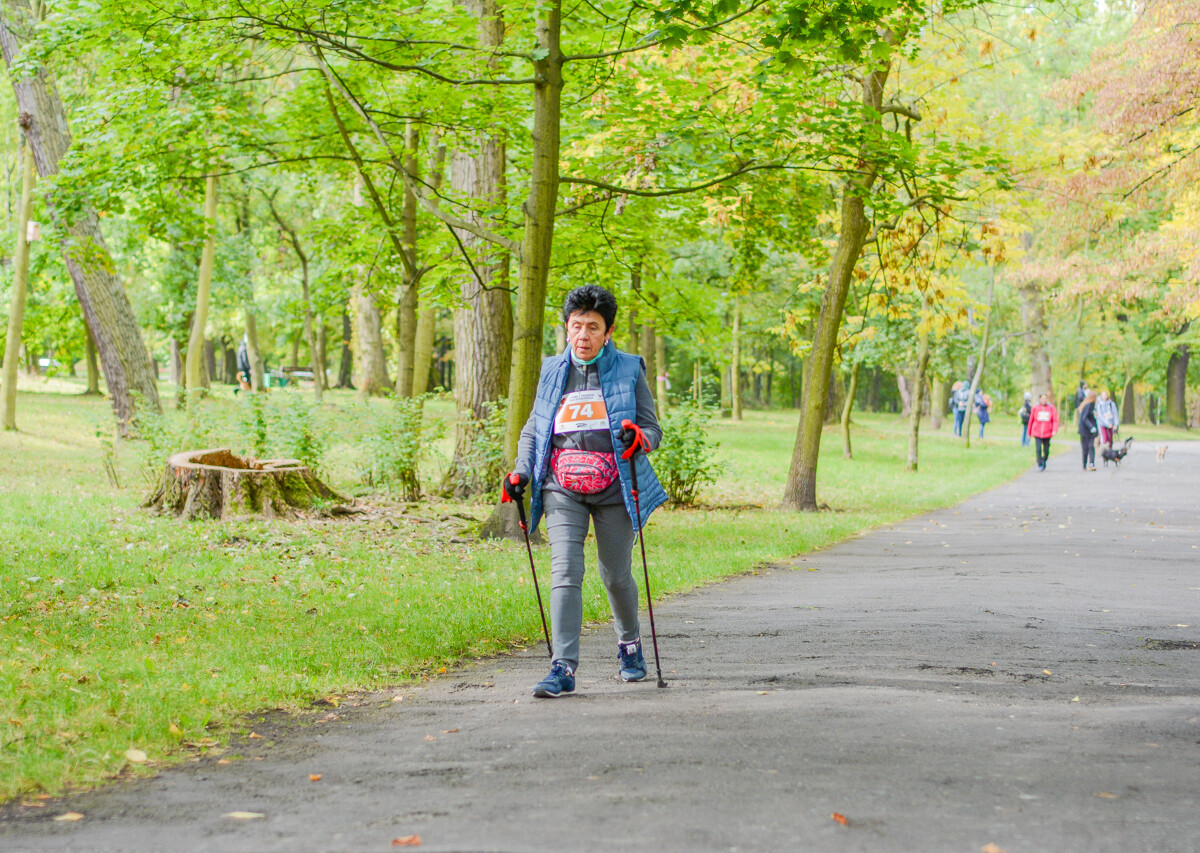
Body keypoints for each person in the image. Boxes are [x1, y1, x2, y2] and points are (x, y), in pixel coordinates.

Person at [503, 285, 666, 699]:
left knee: (614, 575)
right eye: (576, 326)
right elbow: (533, 429)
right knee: (565, 570)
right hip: (562, 486)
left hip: (613, 486)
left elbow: (652, 429)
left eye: (593, 327)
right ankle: (563, 667)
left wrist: (638, 439)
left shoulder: (629, 368)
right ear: (566, 327)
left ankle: (629, 645)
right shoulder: (551, 369)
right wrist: (522, 471)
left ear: (608, 331)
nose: (583, 335)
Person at [1027, 393, 1059, 471]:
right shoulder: (1035, 408)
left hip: (1047, 432)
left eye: (1045, 398)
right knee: (1038, 449)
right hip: (1037, 432)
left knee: (1046, 450)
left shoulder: (1051, 408)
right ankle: (1040, 463)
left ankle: (1044, 460)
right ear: (1039, 399)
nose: (1044, 400)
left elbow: (1055, 420)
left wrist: (1054, 430)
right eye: (1042, 398)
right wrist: (1029, 432)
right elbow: (1031, 420)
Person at [1077, 389, 1099, 471]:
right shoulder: (1088, 405)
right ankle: (1084, 464)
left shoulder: (1092, 406)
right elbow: (1084, 418)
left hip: (1089, 431)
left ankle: (1091, 463)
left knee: (1090, 446)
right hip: (1085, 430)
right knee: (1086, 448)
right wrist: (1091, 427)